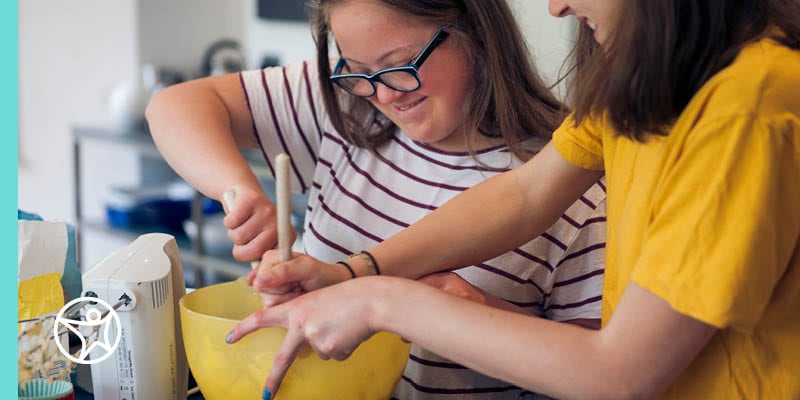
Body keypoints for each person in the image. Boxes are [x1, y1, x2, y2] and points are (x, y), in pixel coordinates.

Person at [228, 0, 800, 399]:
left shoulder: (744, 112)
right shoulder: (655, 74)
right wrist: (352, 274)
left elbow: (621, 375)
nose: (555, 8)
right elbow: (526, 194)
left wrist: (382, 302)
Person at [145, 0, 608, 399]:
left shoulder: (579, 188)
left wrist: (475, 315)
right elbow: (173, 107)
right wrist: (241, 192)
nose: (384, 93)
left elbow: (601, 373)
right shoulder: (348, 106)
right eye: (359, 69)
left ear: (474, 29)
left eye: (402, 63)